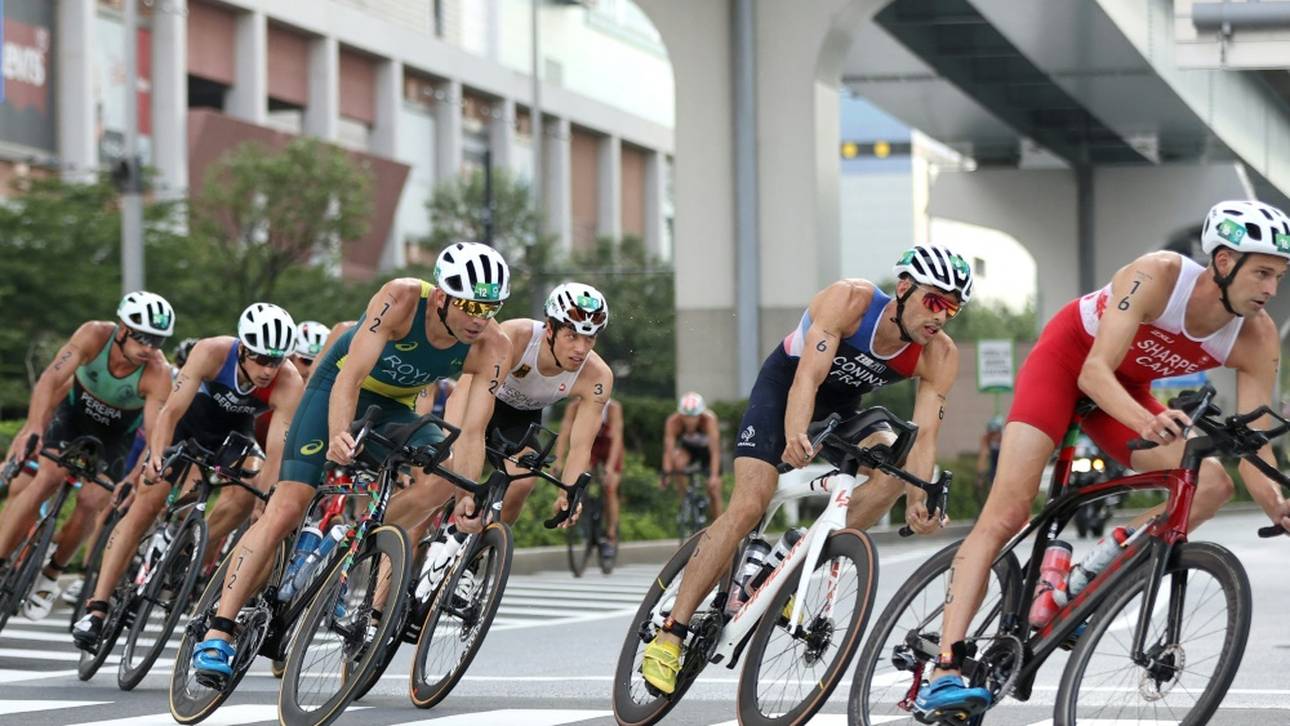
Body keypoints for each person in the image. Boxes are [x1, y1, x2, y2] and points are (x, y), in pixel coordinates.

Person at [916, 200, 1290, 719]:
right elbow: (1094, 372)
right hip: (1068, 364)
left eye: (1280, 275)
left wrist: (1277, 502)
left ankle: (1080, 580)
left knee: (1211, 484)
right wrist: (1143, 422)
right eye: (1264, 273)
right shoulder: (1158, 276)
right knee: (1007, 513)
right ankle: (944, 671)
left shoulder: (1257, 334)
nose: (1272, 288)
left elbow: (1254, 440)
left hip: (1128, 390)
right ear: (1224, 262)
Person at [641, 245, 973, 694]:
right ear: (904, 288)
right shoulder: (851, 301)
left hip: (841, 409)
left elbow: (926, 437)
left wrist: (920, 498)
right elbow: (808, 379)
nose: (941, 316)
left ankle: (802, 554)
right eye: (934, 300)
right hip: (786, 387)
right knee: (748, 505)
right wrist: (796, 433)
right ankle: (670, 635)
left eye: (952, 308)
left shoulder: (940, 354)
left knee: (896, 471)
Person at [189, 242, 512, 683]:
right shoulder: (399, 299)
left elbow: (474, 428)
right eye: (471, 305)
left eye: (490, 307)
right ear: (441, 297)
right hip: (335, 390)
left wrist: (468, 493)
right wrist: (340, 434)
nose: (480, 318)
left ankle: (355, 537)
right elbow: (350, 376)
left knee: (446, 475)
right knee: (287, 507)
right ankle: (218, 631)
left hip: (395, 406)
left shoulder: (493, 345)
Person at [72, 304, 304, 649]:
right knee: (147, 502)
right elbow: (170, 411)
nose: (268, 370)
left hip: (233, 437)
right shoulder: (212, 351)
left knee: (247, 495)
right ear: (242, 348)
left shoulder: (289, 381)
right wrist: (155, 458)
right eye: (260, 359)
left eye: (277, 360)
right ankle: (98, 607)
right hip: (187, 425)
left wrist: (266, 499)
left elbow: (276, 451)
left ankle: (192, 546)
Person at [0, 292, 176, 618]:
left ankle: (52, 572)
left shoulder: (158, 372)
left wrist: (140, 473)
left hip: (115, 435)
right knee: (46, 479)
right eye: (143, 338)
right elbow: (51, 378)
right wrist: (34, 427)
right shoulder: (94, 334)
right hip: (73, 415)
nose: (149, 348)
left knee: (93, 501)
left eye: (158, 340)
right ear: (122, 328)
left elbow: (154, 434)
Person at [556, 396, 624, 556]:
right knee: (578, 474)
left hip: (608, 447)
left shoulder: (612, 408)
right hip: (590, 445)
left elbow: (617, 439)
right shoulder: (574, 406)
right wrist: (558, 460)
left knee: (610, 487)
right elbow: (564, 432)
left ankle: (611, 535)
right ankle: (581, 509)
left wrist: (609, 467)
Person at [661, 393, 724, 519]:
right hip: (689, 450)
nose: (690, 421)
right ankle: (683, 498)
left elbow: (715, 452)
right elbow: (668, 450)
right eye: (686, 416)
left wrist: (714, 476)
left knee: (714, 490)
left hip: (707, 453)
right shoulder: (673, 422)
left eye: (694, 417)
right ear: (680, 414)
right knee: (677, 462)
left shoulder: (709, 420)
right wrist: (666, 474)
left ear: (701, 414)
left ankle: (718, 522)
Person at [974, 415, 1003, 509]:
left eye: (996, 433)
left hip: (1004, 461)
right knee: (992, 487)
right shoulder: (986, 438)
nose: (994, 436)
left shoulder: (1005, 438)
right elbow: (983, 457)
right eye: (992, 434)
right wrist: (980, 476)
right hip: (994, 463)